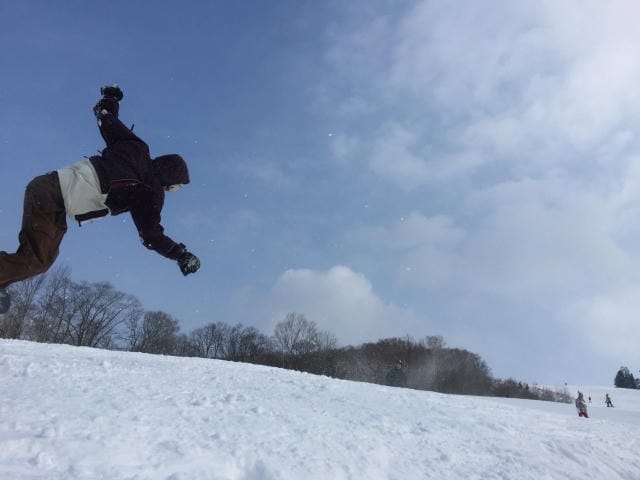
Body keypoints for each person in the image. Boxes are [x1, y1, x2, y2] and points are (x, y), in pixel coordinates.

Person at [0, 85, 200, 314]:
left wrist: (110, 98)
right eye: (173, 188)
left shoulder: (136, 148)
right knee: (37, 260)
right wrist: (180, 254)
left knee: (41, 259)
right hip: (52, 197)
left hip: (49, 189)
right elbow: (151, 236)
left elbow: (106, 118)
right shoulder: (150, 190)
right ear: (170, 181)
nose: (169, 191)